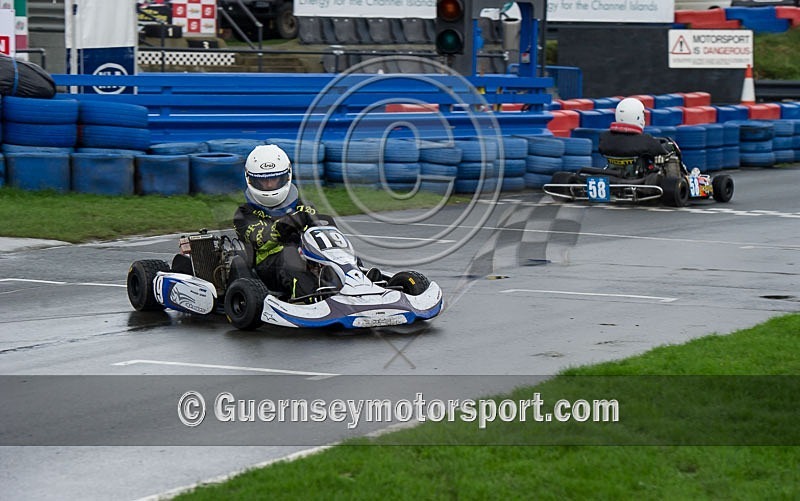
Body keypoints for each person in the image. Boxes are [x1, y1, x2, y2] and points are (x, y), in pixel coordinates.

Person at [233, 144, 333, 301]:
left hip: (306, 257)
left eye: (274, 178)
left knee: (335, 251)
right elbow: (257, 237)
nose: (270, 185)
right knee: (290, 254)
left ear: (286, 176)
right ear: (251, 180)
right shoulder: (245, 213)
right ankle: (307, 299)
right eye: (263, 180)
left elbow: (319, 228)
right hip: (267, 268)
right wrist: (280, 228)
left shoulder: (302, 205)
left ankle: (359, 286)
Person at [598, 97, 668, 177]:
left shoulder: (604, 137)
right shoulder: (645, 140)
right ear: (638, 117)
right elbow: (663, 153)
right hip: (637, 182)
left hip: (611, 177)